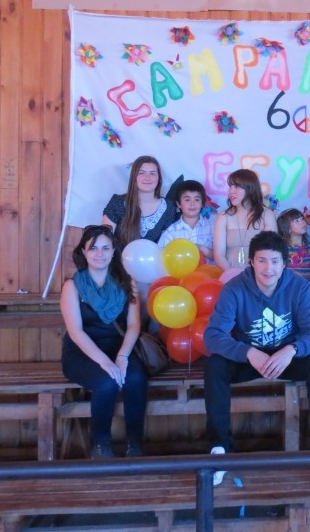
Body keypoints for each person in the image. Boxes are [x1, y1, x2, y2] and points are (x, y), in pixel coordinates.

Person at [203, 231, 310, 485]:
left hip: (286, 357)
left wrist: (291, 350)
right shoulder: (235, 288)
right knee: (215, 365)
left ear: (285, 263)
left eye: (275, 261)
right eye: (262, 261)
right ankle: (219, 449)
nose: (269, 268)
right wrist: (247, 352)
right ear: (251, 262)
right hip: (250, 358)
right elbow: (212, 336)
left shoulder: (298, 286)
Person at [60, 225, 148, 458]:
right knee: (106, 382)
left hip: (118, 346)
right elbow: (77, 332)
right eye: (94, 248)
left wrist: (121, 357)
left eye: (105, 248)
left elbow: (133, 325)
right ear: (84, 252)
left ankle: (134, 445)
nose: (100, 254)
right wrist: (106, 363)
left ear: (113, 252)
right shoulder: (72, 286)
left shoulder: (127, 283)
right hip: (82, 351)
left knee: (137, 377)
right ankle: (101, 446)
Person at [102, 155, 180, 247]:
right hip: (118, 260)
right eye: (141, 173)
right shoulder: (118, 202)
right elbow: (105, 241)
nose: (147, 177)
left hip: (153, 260)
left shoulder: (168, 207)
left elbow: (166, 245)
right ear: (134, 177)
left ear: (159, 178)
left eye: (152, 173)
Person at [213, 169, 277, 271]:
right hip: (229, 276)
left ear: (250, 189)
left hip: (258, 276)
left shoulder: (267, 214)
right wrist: (232, 275)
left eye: (237, 186)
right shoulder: (223, 216)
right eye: (230, 186)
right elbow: (219, 255)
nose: (231, 191)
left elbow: (270, 251)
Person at [158, 179, 214, 261]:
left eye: (197, 199)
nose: (192, 203)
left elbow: (223, 256)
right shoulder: (170, 233)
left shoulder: (214, 228)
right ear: (178, 204)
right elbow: (161, 260)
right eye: (187, 199)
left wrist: (202, 249)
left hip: (211, 273)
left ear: (202, 203)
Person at [277, 207, 310, 297]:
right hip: (291, 295)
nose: (302, 222)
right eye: (296, 221)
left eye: (302, 219)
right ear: (286, 227)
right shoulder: (282, 248)